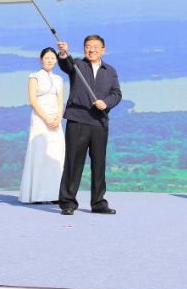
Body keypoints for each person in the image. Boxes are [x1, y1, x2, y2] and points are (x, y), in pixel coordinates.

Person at [56, 35, 122, 215]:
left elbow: (116, 94)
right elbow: (65, 65)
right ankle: (68, 203)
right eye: (87, 46)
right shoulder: (76, 64)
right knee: (73, 163)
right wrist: (63, 53)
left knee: (99, 164)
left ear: (103, 50)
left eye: (95, 46)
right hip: (78, 120)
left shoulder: (110, 71)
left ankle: (98, 203)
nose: (91, 50)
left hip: (100, 122)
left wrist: (105, 103)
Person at [19, 48, 66, 203]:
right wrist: (46, 119)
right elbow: (33, 101)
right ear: (41, 59)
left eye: (53, 58)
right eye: (47, 58)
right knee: (39, 153)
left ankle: (55, 194)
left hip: (56, 121)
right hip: (40, 119)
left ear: (56, 60)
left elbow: (60, 101)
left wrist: (58, 118)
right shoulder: (34, 77)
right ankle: (37, 195)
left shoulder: (59, 79)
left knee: (55, 155)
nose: (50, 60)